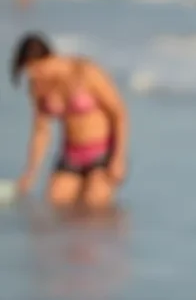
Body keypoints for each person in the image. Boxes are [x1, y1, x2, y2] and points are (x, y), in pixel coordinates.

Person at [11, 33, 129, 208]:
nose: (34, 76)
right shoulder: (39, 86)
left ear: (48, 58)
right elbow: (41, 131)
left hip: (102, 153)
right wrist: (30, 173)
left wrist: (119, 158)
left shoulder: (86, 72)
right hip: (70, 155)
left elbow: (118, 112)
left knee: (94, 208)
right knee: (55, 204)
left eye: (36, 69)